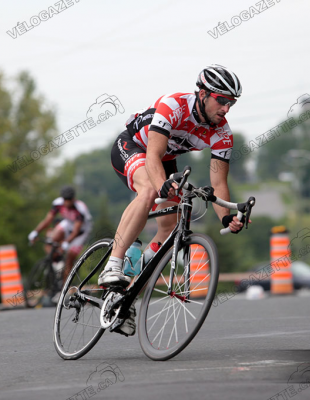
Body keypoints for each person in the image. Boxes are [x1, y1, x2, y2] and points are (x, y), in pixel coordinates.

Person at [101, 64, 247, 335]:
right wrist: (162, 187)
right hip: (134, 146)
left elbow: (218, 183)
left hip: (165, 160)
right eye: (222, 100)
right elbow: (153, 155)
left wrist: (226, 217)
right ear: (203, 94)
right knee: (149, 191)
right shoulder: (174, 106)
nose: (226, 108)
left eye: (232, 103)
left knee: (172, 225)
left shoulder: (223, 133)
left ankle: (125, 298)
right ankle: (114, 263)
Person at [28, 186, 93, 285]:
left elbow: (76, 231)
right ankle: (55, 262)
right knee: (51, 239)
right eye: (65, 199)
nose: (67, 202)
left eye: (69, 199)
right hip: (68, 223)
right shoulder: (58, 204)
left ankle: (64, 286)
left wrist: (66, 242)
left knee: (70, 257)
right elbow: (47, 220)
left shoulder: (80, 209)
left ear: (73, 199)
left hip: (81, 231)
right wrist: (36, 232)